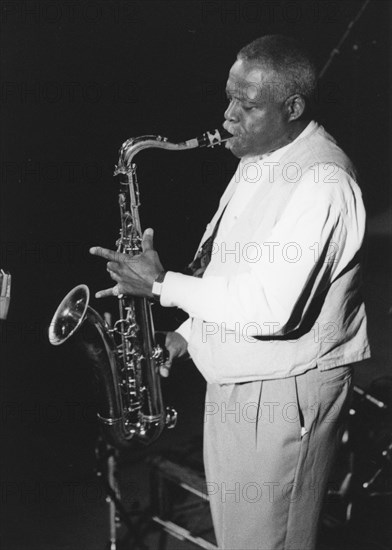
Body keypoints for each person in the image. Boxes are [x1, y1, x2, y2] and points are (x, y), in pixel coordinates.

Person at [90, 35, 370, 550]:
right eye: (229, 97)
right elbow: (236, 273)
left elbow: (273, 310)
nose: (227, 115)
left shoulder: (323, 182)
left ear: (293, 107)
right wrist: (190, 337)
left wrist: (160, 285)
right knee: (242, 539)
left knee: (270, 543)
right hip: (240, 381)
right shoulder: (259, 156)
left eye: (247, 104)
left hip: (284, 392)